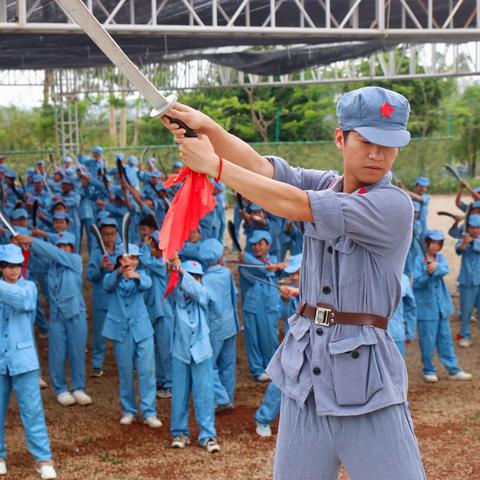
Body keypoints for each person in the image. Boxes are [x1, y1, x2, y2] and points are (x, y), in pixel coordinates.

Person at [162, 85, 426, 479]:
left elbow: (294, 204)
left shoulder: (393, 205)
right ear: (341, 138)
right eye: (367, 140)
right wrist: (207, 127)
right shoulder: (325, 184)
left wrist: (214, 166)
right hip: (307, 375)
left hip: (366, 383)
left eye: (388, 145)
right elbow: (261, 169)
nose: (377, 154)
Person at [14, 232, 92, 408]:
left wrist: (32, 240)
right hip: (57, 316)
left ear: (72, 248)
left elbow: (53, 253)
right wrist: (24, 248)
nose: (63, 249)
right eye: (60, 245)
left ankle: (79, 387)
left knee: (77, 351)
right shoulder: (50, 265)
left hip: (76, 315)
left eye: (67, 246)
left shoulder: (75, 260)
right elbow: (32, 264)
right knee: (57, 354)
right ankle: (60, 389)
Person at [0, 244, 57, 480]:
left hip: (24, 360)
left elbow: (22, 301)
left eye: (17, 266)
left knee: (33, 412)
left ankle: (43, 459)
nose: (14, 271)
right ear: (1, 268)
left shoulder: (29, 287)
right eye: (9, 266)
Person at [102, 244, 161, 428]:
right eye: (128, 258)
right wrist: (120, 271)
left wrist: (136, 276)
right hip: (121, 331)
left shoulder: (143, 274)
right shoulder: (113, 276)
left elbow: (147, 284)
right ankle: (128, 410)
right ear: (120, 260)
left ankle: (149, 412)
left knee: (147, 372)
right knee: (125, 372)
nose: (132, 262)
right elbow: (107, 285)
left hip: (142, 330)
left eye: (135, 258)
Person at [170, 260, 220, 454]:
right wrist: (174, 268)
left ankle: (208, 435)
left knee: (204, 395)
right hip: (180, 351)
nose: (195, 280)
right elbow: (168, 283)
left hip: (202, 352)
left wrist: (184, 274)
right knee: (179, 394)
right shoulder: (175, 294)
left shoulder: (203, 294)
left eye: (198, 276)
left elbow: (201, 295)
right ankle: (179, 432)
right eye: (192, 275)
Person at [413, 230, 472, 382]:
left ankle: (453, 369)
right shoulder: (418, 260)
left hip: (442, 308)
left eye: (439, 244)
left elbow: (445, 269)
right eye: (433, 243)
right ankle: (428, 369)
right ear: (427, 243)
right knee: (427, 341)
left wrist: (435, 268)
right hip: (425, 309)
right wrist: (428, 273)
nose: (435, 246)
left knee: (446, 339)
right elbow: (418, 283)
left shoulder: (441, 258)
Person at [255, 254, 301, 438]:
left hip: (318, 346)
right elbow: (281, 315)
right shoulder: (289, 293)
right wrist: (284, 299)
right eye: (293, 273)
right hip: (294, 346)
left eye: (299, 273)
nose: (296, 277)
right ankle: (263, 418)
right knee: (280, 382)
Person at [202, 238, 239, 410]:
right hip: (229, 325)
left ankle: (221, 397)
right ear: (218, 257)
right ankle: (228, 398)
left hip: (214, 329)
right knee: (228, 363)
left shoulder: (204, 280)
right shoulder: (226, 274)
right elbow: (234, 295)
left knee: (209, 365)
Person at [86, 218, 123, 377]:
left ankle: (125, 363)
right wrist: (101, 269)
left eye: (112, 234)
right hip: (101, 299)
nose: (109, 238)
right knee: (100, 334)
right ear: (100, 236)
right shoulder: (96, 253)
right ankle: (97, 364)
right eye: (106, 234)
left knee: (120, 333)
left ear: (116, 235)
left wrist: (115, 270)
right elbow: (90, 276)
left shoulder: (122, 252)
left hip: (118, 299)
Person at [455, 214, 480, 347]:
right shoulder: (464, 239)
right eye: (472, 227)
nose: (475, 230)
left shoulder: (476, 240)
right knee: (466, 311)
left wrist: (472, 242)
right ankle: (465, 335)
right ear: (468, 228)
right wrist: (464, 242)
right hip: (467, 282)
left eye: (478, 227)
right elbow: (458, 250)